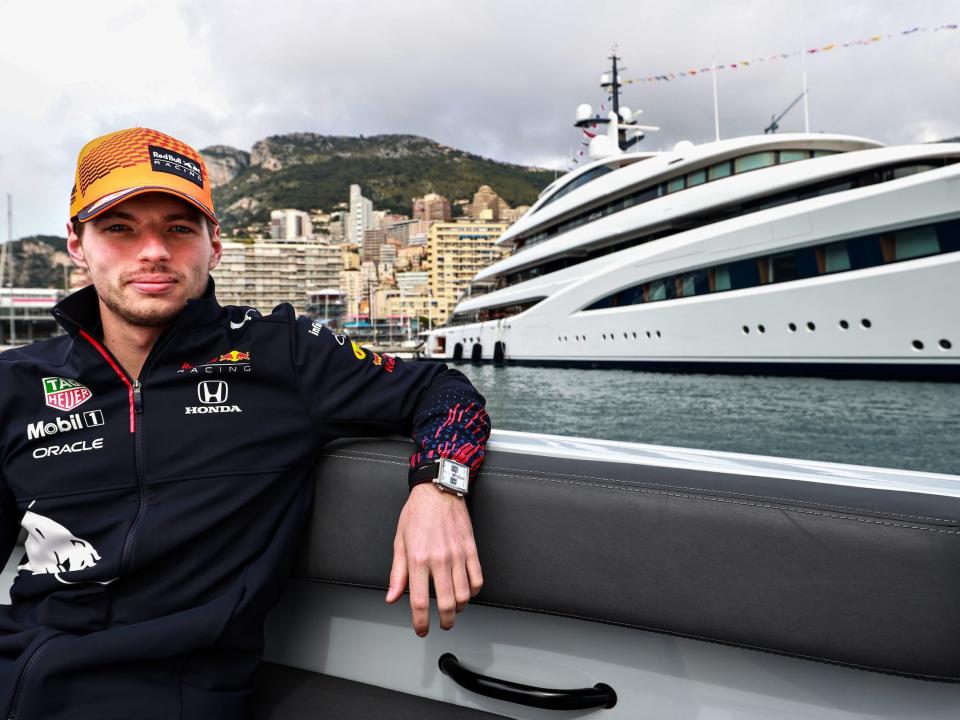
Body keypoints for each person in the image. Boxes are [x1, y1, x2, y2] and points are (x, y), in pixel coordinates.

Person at [0, 127, 491, 719]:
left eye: (179, 229)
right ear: (78, 244)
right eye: (119, 228)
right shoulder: (17, 381)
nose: (152, 250)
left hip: (161, 695)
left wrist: (439, 488)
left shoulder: (282, 353)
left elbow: (443, 387)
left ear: (215, 245)